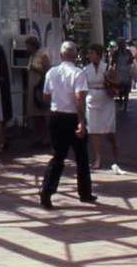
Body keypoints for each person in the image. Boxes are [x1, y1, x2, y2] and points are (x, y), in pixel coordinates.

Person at [39, 41, 96, 209]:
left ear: (61, 55)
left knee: (58, 156)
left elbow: (46, 97)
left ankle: (46, 191)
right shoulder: (78, 73)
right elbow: (80, 99)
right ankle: (85, 193)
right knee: (81, 157)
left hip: (56, 116)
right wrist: (81, 121)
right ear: (75, 55)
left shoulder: (52, 72)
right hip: (72, 116)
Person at [84, 44, 122, 174]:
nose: (90, 55)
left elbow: (117, 83)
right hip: (91, 100)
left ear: (98, 55)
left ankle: (114, 148)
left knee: (108, 130)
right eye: (89, 53)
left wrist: (109, 77)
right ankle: (98, 157)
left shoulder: (107, 67)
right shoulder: (85, 69)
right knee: (94, 130)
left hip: (106, 100)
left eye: (92, 53)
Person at [24, 36, 52, 147]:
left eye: (28, 46)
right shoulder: (31, 56)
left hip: (40, 87)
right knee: (36, 114)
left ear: (33, 45)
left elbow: (47, 70)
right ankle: (39, 136)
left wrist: (35, 69)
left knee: (43, 112)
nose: (27, 48)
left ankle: (47, 137)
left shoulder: (43, 54)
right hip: (32, 87)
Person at [110, 40, 133, 113]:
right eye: (121, 44)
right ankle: (121, 102)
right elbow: (112, 62)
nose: (122, 45)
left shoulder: (127, 52)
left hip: (125, 72)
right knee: (120, 89)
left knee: (126, 90)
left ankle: (124, 105)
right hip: (120, 73)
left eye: (123, 44)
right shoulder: (116, 53)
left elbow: (131, 60)